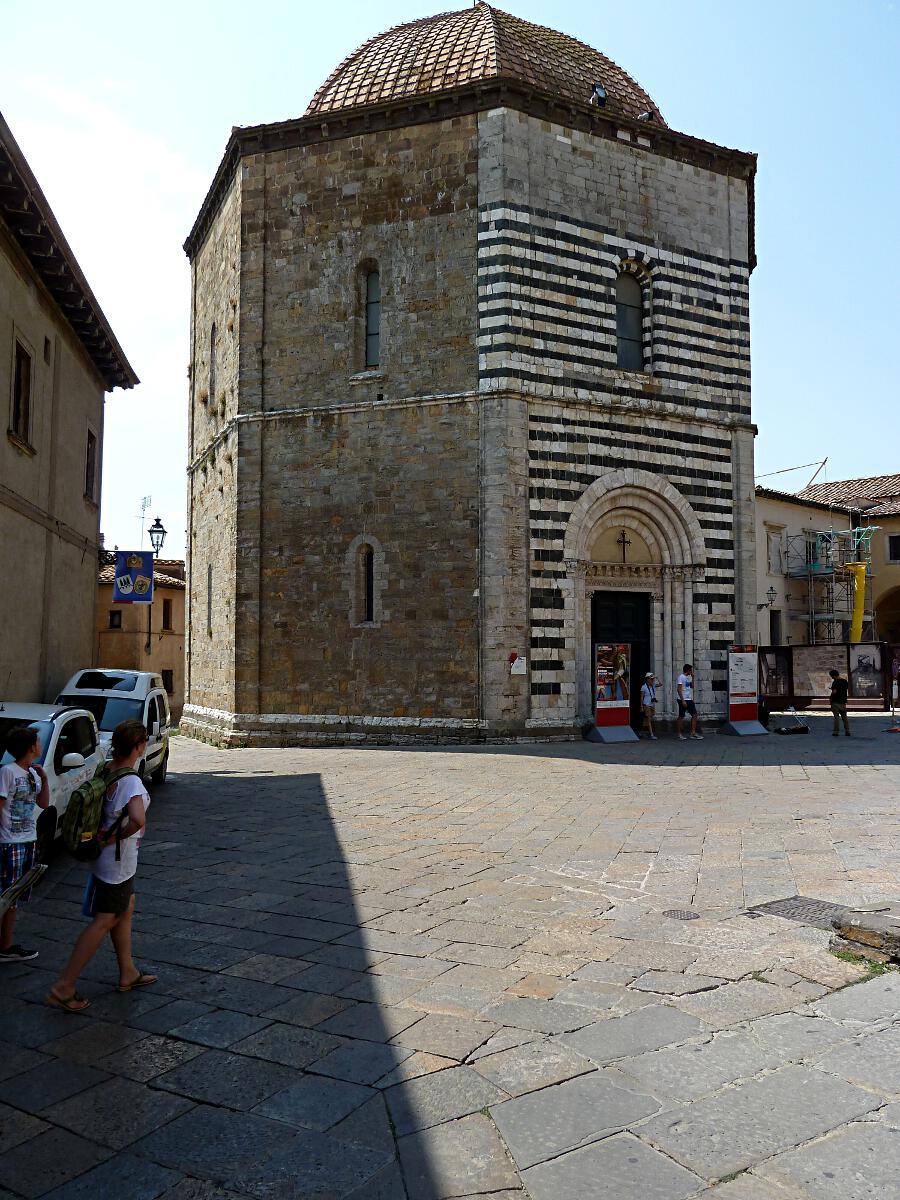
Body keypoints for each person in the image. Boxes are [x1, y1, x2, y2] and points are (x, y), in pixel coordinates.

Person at [47, 720, 156, 1011]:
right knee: (105, 919)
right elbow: (138, 819)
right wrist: (112, 839)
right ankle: (64, 985)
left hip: (107, 861)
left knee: (126, 906)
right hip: (116, 862)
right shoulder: (131, 781)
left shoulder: (107, 769)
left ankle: (128, 971)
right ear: (138, 746)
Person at [0, 727, 50, 962]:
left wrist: (45, 779)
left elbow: (44, 802)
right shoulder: (7, 772)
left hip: (28, 840)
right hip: (10, 843)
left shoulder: (33, 774)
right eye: (38, 742)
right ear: (32, 747)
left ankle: (6, 945)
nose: (40, 745)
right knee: (6, 896)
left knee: (14, 897)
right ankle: (5, 945)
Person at [677, 664, 703, 741]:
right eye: (691, 670)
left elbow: (692, 686)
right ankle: (679, 734)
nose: (691, 671)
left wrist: (693, 677)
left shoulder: (687, 678)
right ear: (688, 670)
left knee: (694, 715)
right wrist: (683, 700)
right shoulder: (681, 677)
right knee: (681, 716)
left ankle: (693, 733)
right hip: (683, 699)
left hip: (688, 699)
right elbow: (679, 689)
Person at [829, 668, 850, 737]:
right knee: (845, 718)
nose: (831, 678)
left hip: (836, 702)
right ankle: (847, 731)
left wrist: (831, 698)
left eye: (831, 676)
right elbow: (844, 690)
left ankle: (836, 732)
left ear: (833, 675)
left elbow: (834, 692)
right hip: (843, 701)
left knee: (836, 718)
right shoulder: (845, 681)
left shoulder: (835, 682)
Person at [640, 672, 659, 739]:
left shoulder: (653, 685)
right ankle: (651, 734)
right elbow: (641, 697)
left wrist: (657, 678)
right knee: (649, 719)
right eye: (651, 679)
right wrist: (641, 706)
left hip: (651, 705)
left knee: (647, 719)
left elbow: (660, 684)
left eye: (652, 679)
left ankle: (641, 732)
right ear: (647, 679)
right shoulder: (644, 687)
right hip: (646, 705)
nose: (652, 680)